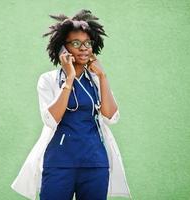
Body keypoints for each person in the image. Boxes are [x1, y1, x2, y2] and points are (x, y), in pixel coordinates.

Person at [11, 9, 132, 200]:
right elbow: (51, 119)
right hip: (59, 162)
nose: (84, 48)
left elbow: (111, 117)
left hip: (95, 163)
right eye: (76, 43)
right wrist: (69, 79)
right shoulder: (48, 80)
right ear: (63, 48)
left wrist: (102, 76)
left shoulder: (96, 80)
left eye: (87, 43)